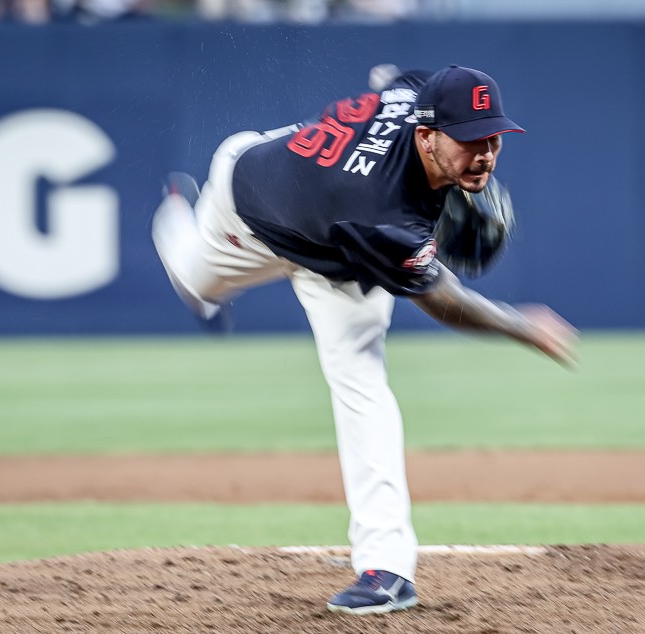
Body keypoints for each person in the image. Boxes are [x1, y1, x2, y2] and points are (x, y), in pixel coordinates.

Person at [152, 64, 578, 615]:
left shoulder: (416, 102)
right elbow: (445, 302)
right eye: (470, 140)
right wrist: (522, 326)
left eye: (493, 137)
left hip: (336, 255)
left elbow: (403, 79)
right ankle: (174, 212)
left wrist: (389, 80)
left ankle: (386, 568)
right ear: (426, 135)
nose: (486, 153)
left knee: (360, 378)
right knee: (195, 280)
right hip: (249, 215)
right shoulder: (381, 212)